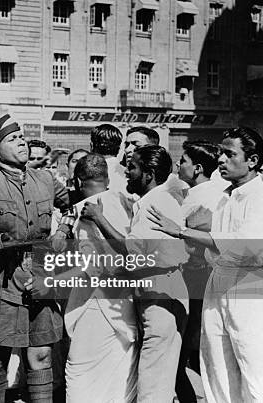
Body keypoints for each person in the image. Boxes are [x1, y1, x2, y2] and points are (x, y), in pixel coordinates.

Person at [149, 127, 263, 402]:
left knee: (258, 373)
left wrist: (183, 232)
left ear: (253, 161)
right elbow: (216, 251)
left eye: (230, 154)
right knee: (216, 371)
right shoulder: (223, 198)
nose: (221, 159)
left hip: (252, 290)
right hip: (217, 286)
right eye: (221, 152)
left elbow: (244, 246)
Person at [0, 114, 74, 403]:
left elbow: (75, 203)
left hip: (42, 274)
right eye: (12, 139)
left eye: (21, 136)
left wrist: (64, 229)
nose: (21, 142)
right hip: (2, 280)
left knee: (42, 354)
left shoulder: (46, 179)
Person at [82, 145, 189, 402]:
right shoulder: (153, 199)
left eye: (132, 167)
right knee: (158, 373)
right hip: (157, 291)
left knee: (154, 380)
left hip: (160, 293)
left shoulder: (157, 201)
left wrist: (99, 217)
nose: (127, 172)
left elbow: (131, 250)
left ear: (149, 173)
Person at [44, 153, 138, 402]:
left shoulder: (89, 211)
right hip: (125, 301)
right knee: (118, 373)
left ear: (76, 181)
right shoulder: (126, 200)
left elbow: (94, 267)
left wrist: (52, 282)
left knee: (80, 372)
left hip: (98, 303)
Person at [174, 141, 226, 403]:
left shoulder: (199, 196)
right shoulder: (216, 191)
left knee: (188, 342)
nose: (178, 165)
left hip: (196, 275)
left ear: (198, 168)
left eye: (182, 161)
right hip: (205, 275)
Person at [123, 126, 188, 204]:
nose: (127, 150)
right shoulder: (116, 177)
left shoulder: (176, 186)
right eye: (126, 145)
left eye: (136, 145)